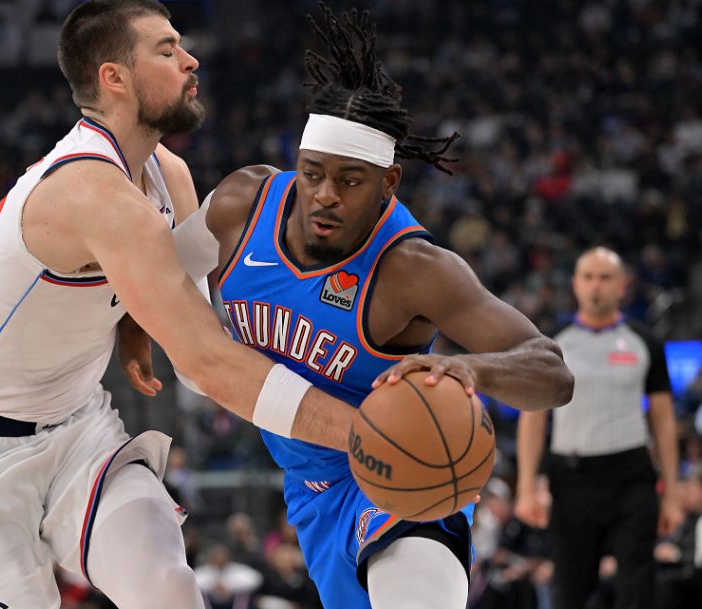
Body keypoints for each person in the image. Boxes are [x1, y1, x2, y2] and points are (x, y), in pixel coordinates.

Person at [0, 2, 382, 608]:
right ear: (114, 77)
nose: (190, 60)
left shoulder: (167, 173)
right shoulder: (91, 192)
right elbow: (206, 365)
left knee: (168, 588)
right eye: (167, 50)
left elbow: (191, 320)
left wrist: (132, 322)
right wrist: (370, 433)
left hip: (76, 428)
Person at [121, 5, 573, 608]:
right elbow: (166, 271)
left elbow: (553, 372)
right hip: (308, 486)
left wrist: (472, 369)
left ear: (388, 184)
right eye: (312, 174)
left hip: (406, 464)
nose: (325, 196)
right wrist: (135, 325)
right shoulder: (242, 204)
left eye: (351, 181)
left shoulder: (415, 269)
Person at [516, 246, 683, 609]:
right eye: (588, 277)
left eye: (605, 277)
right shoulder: (551, 342)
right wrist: (526, 486)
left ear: (622, 285)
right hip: (571, 479)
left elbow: (663, 421)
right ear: (575, 284)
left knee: (637, 591)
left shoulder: (645, 342)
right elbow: (533, 416)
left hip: (631, 476)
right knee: (570, 593)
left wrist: (671, 493)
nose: (596, 285)